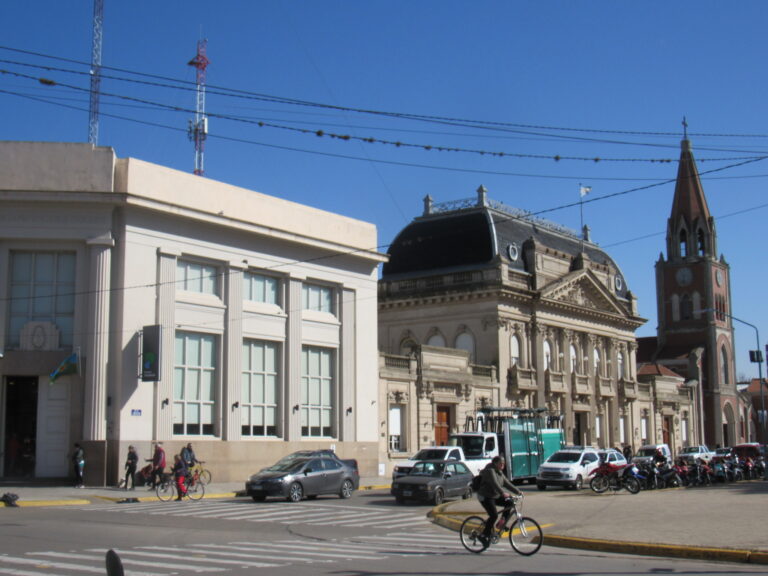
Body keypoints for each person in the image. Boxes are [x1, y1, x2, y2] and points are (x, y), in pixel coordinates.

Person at [477, 455, 522, 548]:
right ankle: (483, 535)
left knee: (510, 502)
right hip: (485, 496)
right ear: (495, 463)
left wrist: (518, 491)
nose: (502, 465)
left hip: (494, 496)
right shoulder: (490, 471)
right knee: (493, 515)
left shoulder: (500, 472)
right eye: (500, 463)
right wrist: (503, 493)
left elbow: (506, 483)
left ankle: (501, 523)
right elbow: (495, 484)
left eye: (503, 463)